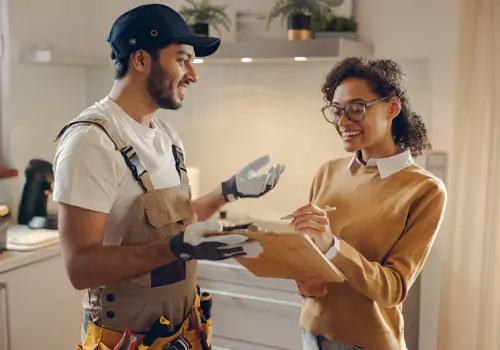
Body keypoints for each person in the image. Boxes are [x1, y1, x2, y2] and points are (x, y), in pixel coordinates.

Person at [52, 4, 285, 350]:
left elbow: (174, 221)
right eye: (182, 59)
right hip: (124, 340)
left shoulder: (165, 135)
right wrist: (177, 247)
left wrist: (228, 192)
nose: (193, 74)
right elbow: (80, 268)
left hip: (182, 332)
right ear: (141, 60)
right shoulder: (91, 142)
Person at [290, 57, 447, 350]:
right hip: (311, 335)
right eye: (337, 111)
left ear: (392, 108)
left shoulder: (424, 190)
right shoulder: (328, 172)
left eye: (356, 108)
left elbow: (393, 289)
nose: (343, 122)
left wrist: (332, 246)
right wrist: (305, 281)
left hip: (366, 343)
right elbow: (313, 262)